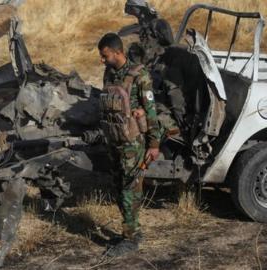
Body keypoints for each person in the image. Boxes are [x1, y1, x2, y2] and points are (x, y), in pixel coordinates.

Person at [97, 33, 161, 256]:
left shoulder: (139, 74)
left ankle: (130, 239)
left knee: (129, 189)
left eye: (105, 55)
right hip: (114, 141)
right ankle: (131, 228)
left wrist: (153, 144)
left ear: (117, 52)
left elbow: (151, 110)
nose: (102, 60)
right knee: (118, 187)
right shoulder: (109, 73)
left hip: (133, 144)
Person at [122, 0, 174, 68]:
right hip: (147, 66)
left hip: (162, 65)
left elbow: (170, 44)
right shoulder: (138, 29)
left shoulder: (158, 24)